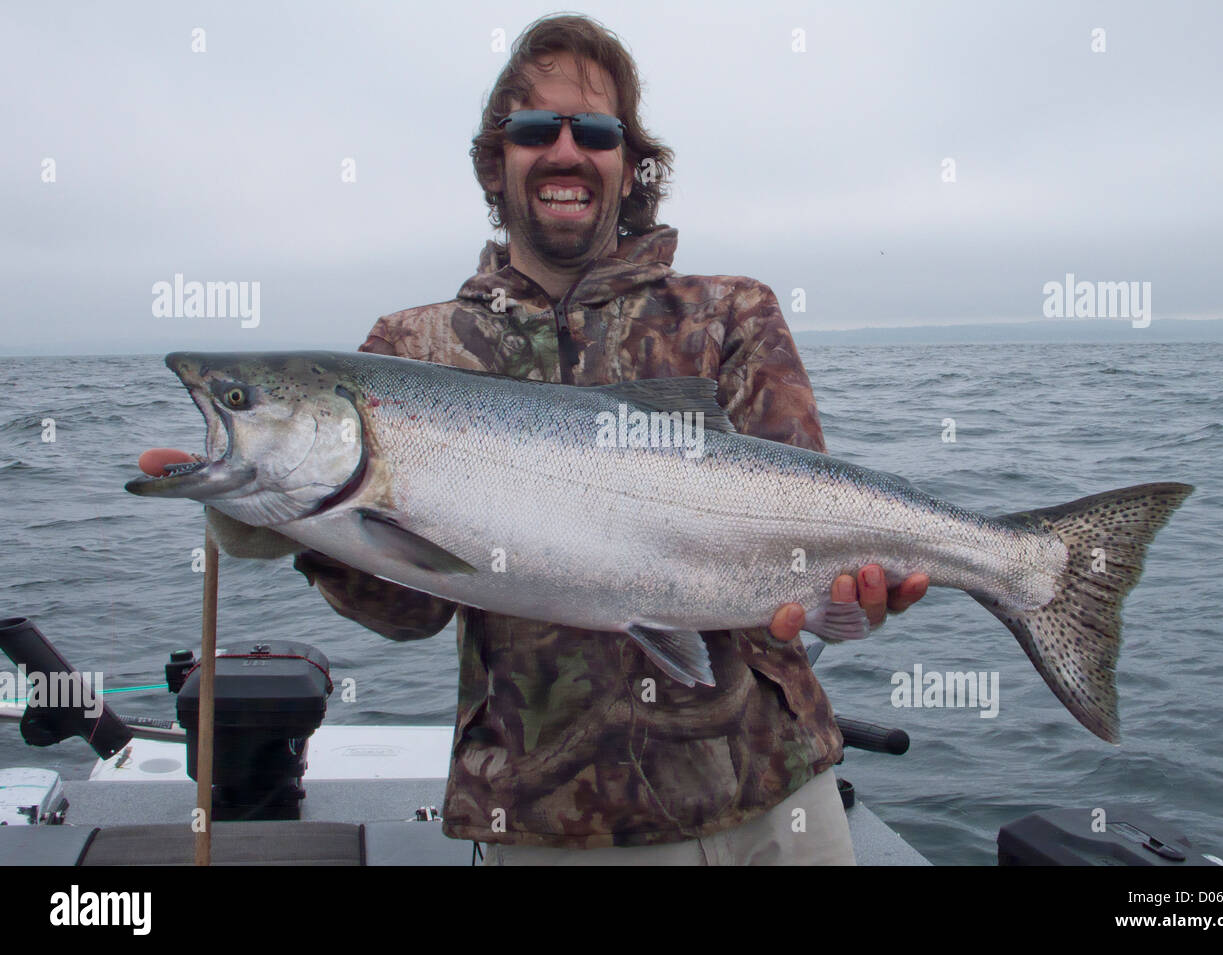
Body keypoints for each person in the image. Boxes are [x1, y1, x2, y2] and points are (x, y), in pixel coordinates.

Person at [143, 14, 927, 864]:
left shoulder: (730, 313)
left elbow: (801, 535)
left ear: (631, 165)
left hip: (774, 800)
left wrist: (851, 590)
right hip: (553, 821)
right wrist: (277, 519)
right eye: (532, 128)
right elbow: (410, 611)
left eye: (594, 130)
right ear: (497, 158)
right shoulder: (413, 349)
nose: (564, 150)